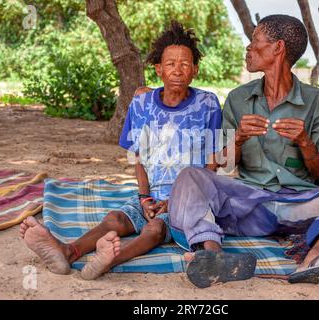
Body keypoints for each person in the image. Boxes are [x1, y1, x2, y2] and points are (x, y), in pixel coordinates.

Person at [168, 14, 319, 288]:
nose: (248, 48)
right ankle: (212, 256)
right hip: (248, 208)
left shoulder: (317, 103)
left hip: (301, 208)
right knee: (190, 176)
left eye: (255, 41)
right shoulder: (238, 99)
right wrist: (239, 139)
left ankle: (314, 258)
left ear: (277, 48)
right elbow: (222, 165)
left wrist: (304, 142)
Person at [19, 21, 222, 280]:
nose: (177, 70)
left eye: (185, 64)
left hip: (187, 201)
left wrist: (173, 202)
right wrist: (144, 198)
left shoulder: (208, 104)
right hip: (150, 196)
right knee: (115, 218)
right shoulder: (142, 104)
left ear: (195, 69)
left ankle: (108, 259)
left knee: (155, 230)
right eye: (170, 64)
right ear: (158, 69)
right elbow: (138, 157)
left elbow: (214, 163)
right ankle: (68, 251)